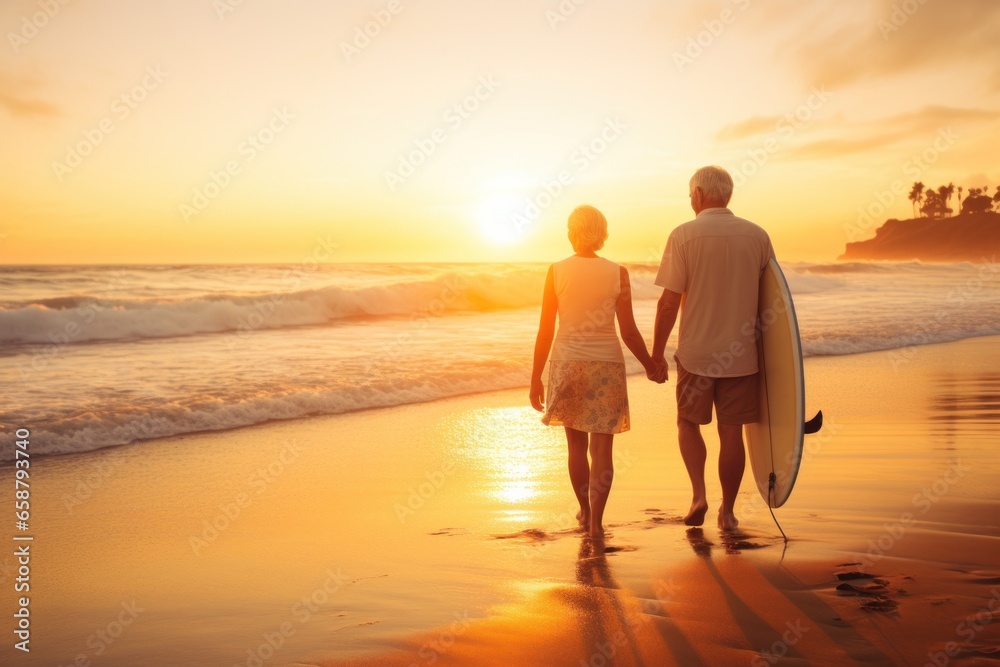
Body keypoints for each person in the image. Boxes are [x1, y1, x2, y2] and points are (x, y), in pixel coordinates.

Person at [650, 166, 774, 532]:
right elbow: (772, 302)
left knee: (688, 423)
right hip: (743, 357)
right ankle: (728, 511)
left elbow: (668, 303)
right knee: (731, 431)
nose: (690, 200)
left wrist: (656, 355)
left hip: (696, 355)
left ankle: (698, 495)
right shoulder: (758, 236)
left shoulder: (683, 235)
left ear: (700, 194)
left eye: (690, 194)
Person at [530, 205, 661, 539]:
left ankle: (585, 512)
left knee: (576, 448)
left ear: (571, 231)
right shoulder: (618, 273)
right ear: (602, 233)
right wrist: (650, 364)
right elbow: (629, 331)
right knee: (602, 450)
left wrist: (535, 378)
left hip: (567, 362)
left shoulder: (556, 271)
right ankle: (596, 523)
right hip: (607, 363)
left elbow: (546, 329)